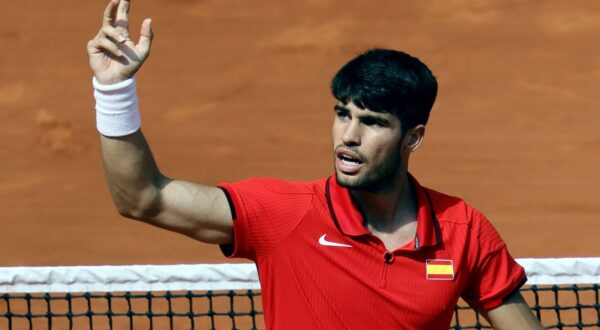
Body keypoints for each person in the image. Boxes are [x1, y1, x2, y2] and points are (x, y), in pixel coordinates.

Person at [87, 0, 544, 329]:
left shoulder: (463, 231)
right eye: (342, 114)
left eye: (372, 122)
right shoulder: (283, 214)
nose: (348, 135)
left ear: (413, 137)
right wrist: (113, 92)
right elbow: (143, 199)